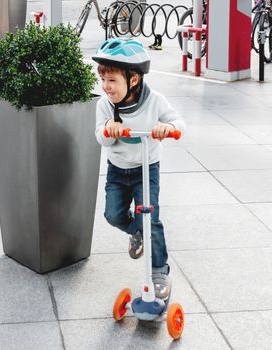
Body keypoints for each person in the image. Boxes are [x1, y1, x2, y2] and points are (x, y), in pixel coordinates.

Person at [92, 38, 186, 301]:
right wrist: (109, 130)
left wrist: (167, 128)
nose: (106, 87)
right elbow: (101, 137)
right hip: (118, 170)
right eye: (103, 80)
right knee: (112, 215)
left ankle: (159, 272)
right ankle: (135, 233)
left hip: (147, 169)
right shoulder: (104, 105)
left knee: (151, 218)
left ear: (133, 79)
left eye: (112, 81)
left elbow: (179, 122)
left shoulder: (155, 101)